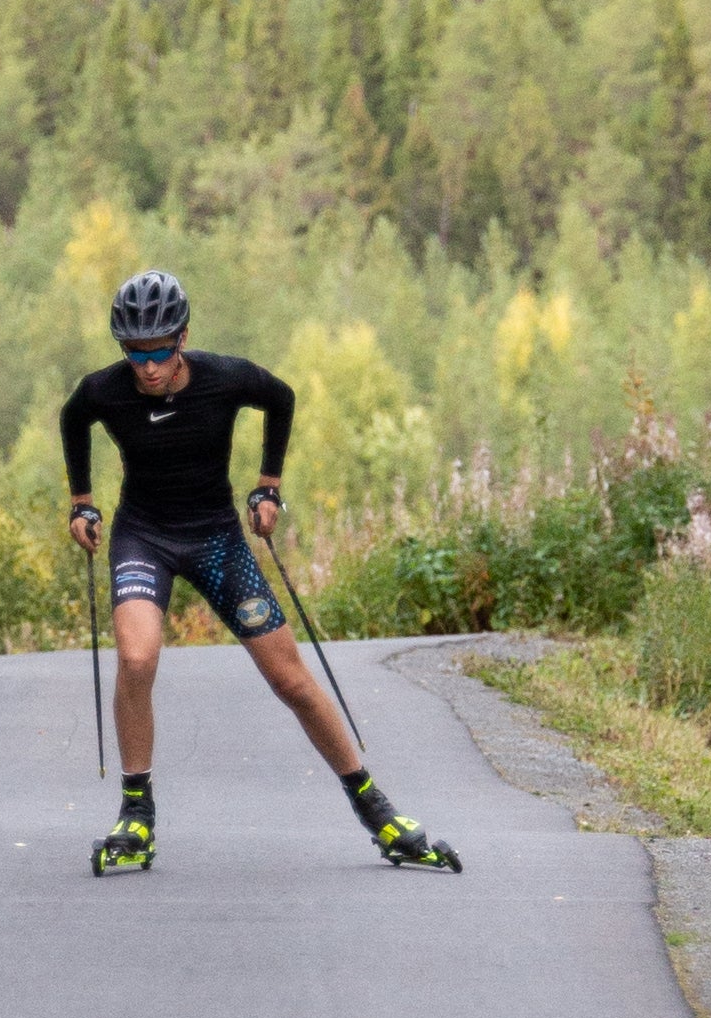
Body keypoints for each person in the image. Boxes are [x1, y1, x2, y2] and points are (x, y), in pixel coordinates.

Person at [60, 265, 460, 878]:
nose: (148, 366)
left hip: (216, 538)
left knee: (290, 680)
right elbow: (72, 418)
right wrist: (81, 502)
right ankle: (136, 813)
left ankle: (378, 811)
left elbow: (281, 397)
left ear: (184, 337)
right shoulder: (106, 390)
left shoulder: (225, 378)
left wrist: (268, 487)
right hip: (143, 536)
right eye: (135, 352)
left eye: (161, 349)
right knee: (137, 659)